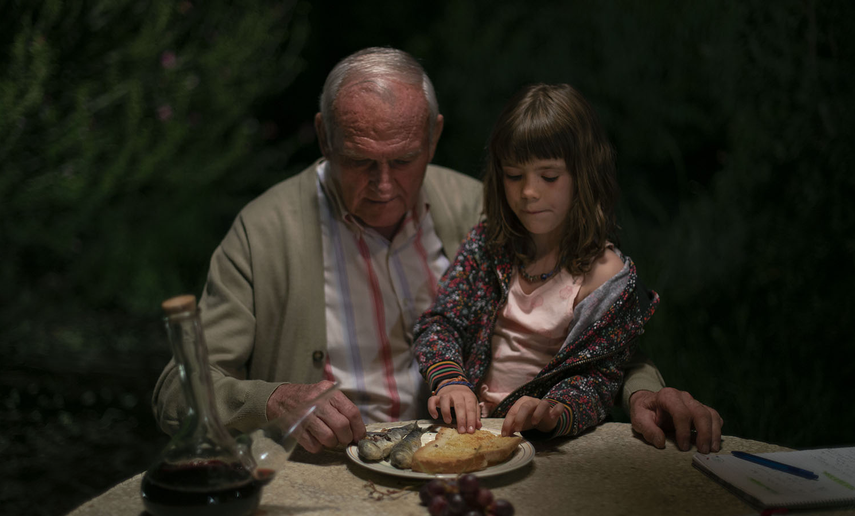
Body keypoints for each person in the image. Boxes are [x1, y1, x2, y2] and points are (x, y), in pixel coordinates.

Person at [152, 47, 722, 454]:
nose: (382, 185)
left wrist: (647, 391)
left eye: (402, 161)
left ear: (434, 137)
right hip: (328, 482)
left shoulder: (485, 210)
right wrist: (273, 399)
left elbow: (592, 338)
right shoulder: (264, 232)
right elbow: (177, 388)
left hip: (464, 462)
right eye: (357, 161)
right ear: (325, 137)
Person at [414, 83, 656, 440]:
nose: (529, 191)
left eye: (549, 176)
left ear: (584, 175)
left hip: (545, 447)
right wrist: (450, 380)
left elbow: (598, 380)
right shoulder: (488, 245)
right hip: (469, 431)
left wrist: (555, 412)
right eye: (514, 175)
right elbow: (441, 323)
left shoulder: (606, 277)